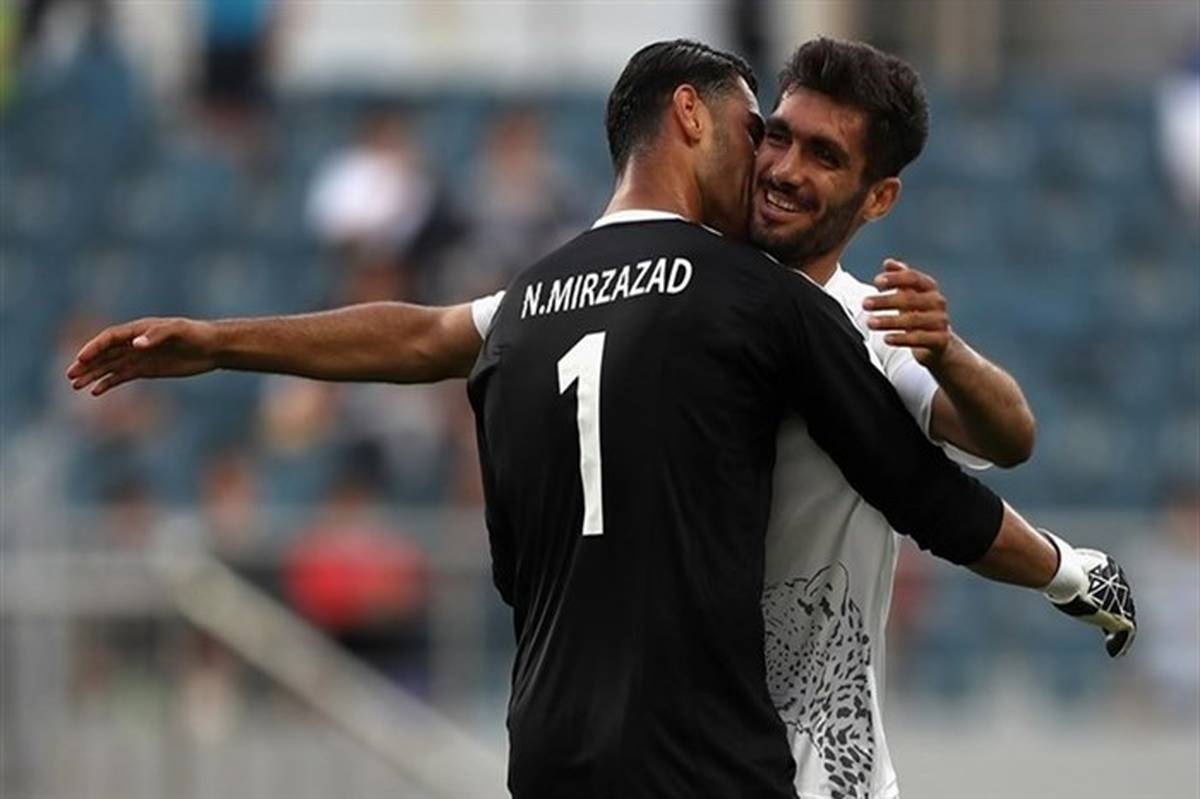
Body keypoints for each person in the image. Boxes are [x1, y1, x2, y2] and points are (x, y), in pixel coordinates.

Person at [67, 39, 1136, 798]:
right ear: (692, 118)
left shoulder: (546, 296)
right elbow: (933, 499)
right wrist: (1070, 573)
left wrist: (221, 341)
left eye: (820, 156)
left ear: (879, 196)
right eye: (767, 135)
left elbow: (1007, 434)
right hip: (725, 754)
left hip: (579, 747)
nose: (775, 166)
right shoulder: (754, 298)